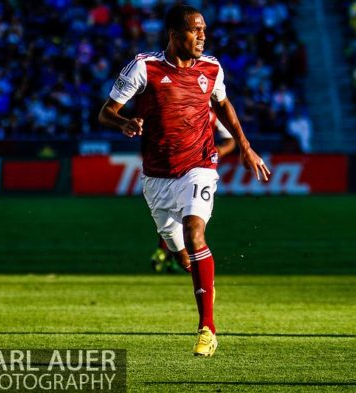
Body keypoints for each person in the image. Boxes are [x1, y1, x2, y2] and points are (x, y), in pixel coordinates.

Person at [98, 4, 270, 357]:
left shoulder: (212, 68)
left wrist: (245, 146)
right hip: (157, 177)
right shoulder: (144, 67)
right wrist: (125, 123)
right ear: (175, 34)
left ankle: (207, 328)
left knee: (195, 232)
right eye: (195, 30)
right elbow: (106, 112)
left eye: (204, 29)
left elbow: (224, 105)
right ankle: (187, 265)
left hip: (199, 165)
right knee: (181, 254)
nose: (202, 35)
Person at [151, 107, 236, 274]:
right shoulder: (179, 101)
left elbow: (230, 140)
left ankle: (174, 256)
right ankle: (167, 252)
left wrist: (219, 151)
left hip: (197, 169)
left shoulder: (215, 110)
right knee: (169, 211)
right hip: (172, 165)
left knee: (190, 217)